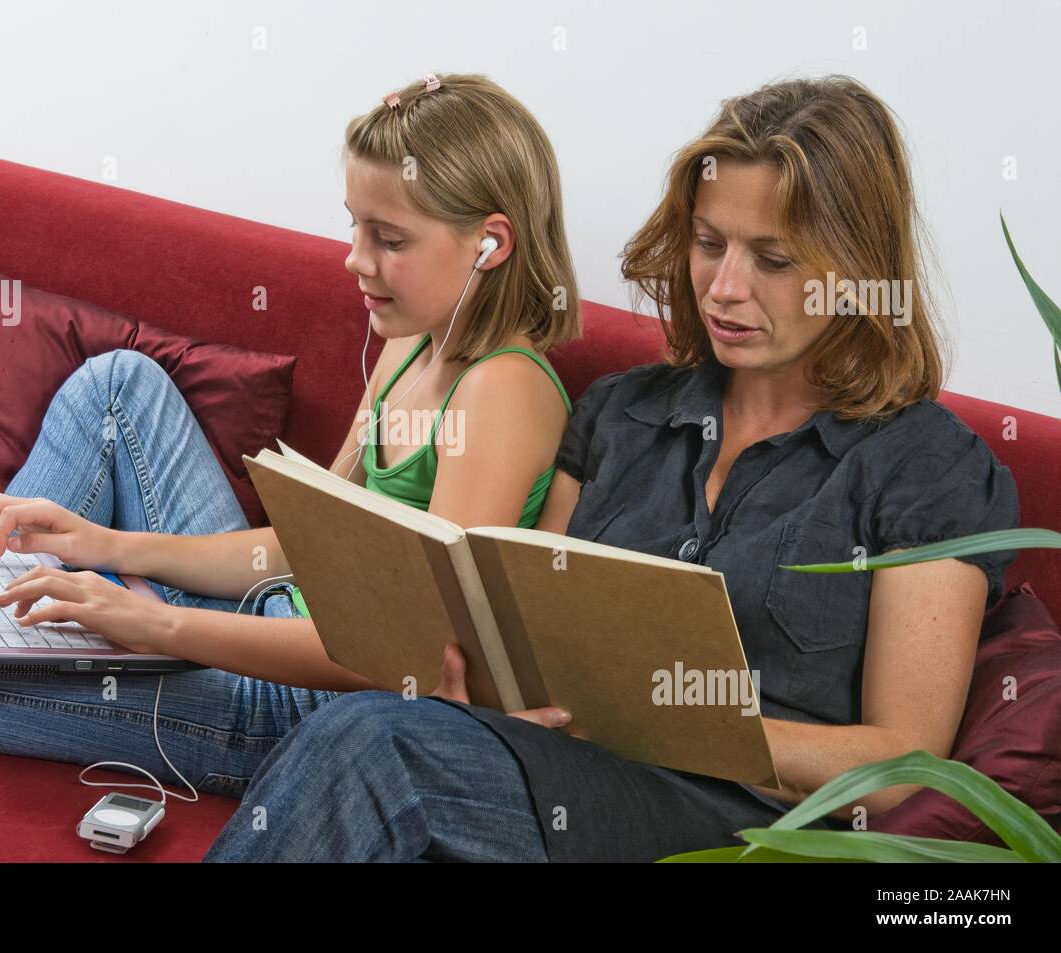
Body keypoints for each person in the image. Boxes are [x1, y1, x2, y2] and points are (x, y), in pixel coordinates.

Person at [201, 75, 1021, 861]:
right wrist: (483, 689)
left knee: (372, 742)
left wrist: (672, 718)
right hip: (556, 775)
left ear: (855, 272)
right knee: (382, 736)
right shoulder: (625, 412)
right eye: (708, 244)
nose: (724, 288)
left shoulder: (928, 467)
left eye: (773, 259)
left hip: (735, 824)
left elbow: (907, 766)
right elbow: (526, 618)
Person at [0, 73, 581, 802]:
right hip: (269, 616)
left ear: (490, 244)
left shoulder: (501, 390)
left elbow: (404, 656)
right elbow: (302, 550)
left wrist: (152, 625)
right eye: (355, 226)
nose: (353, 260)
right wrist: (110, 544)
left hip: (309, 706)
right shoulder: (408, 344)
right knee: (119, 387)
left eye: (389, 239)